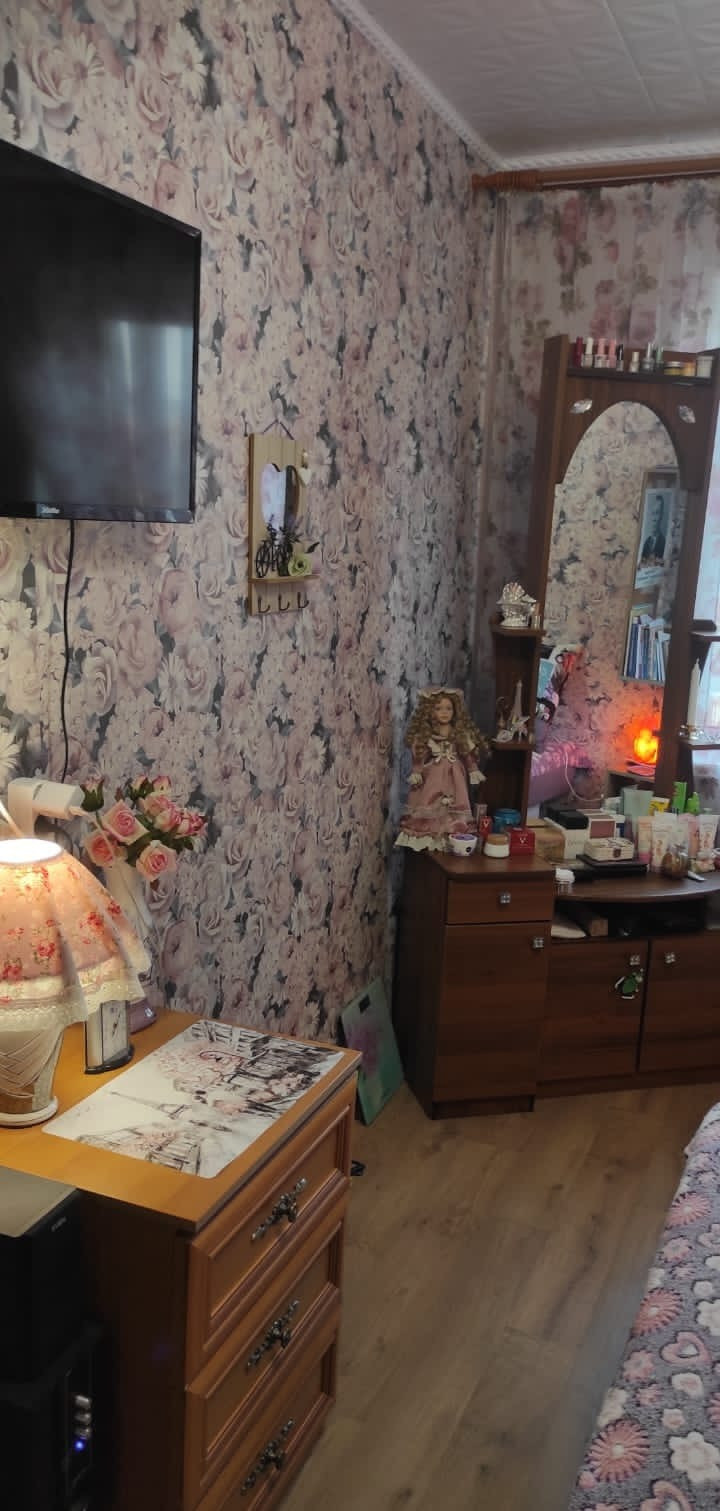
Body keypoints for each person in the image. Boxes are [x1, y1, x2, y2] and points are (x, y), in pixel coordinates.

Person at [395, 686, 488, 852]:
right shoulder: (428, 733)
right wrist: (417, 771)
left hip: (455, 775)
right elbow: (420, 754)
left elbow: (466, 752)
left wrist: (472, 768)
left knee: (456, 802)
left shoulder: (459, 732)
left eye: (448, 708)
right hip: (434, 774)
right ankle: (430, 835)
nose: (444, 712)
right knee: (430, 800)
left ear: (455, 711)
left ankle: (451, 833)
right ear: (430, 711)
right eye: (438, 709)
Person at [641, 494, 667, 564]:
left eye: (657, 513)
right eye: (653, 513)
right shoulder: (646, 542)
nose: (654, 519)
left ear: (661, 515)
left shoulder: (664, 542)